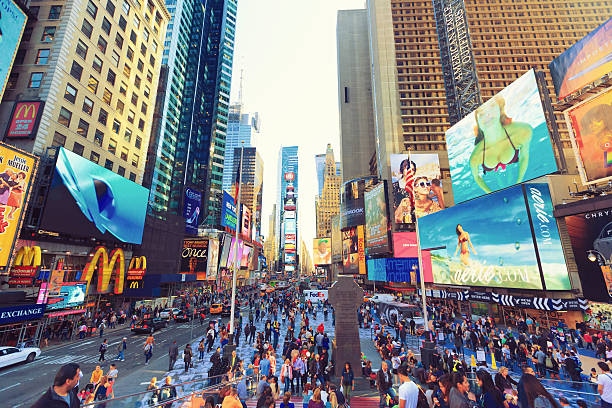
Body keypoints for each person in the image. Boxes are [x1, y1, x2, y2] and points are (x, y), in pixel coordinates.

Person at [468, 95, 533, 194]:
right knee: (498, 178)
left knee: (510, 173)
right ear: (478, 123)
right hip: (490, 169)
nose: (487, 114)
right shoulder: (475, 157)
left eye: (491, 106)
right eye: (481, 114)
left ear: (500, 109)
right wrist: (491, 193)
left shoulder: (523, 131)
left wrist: (519, 181)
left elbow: (524, 157)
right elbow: (476, 177)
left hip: (512, 161)